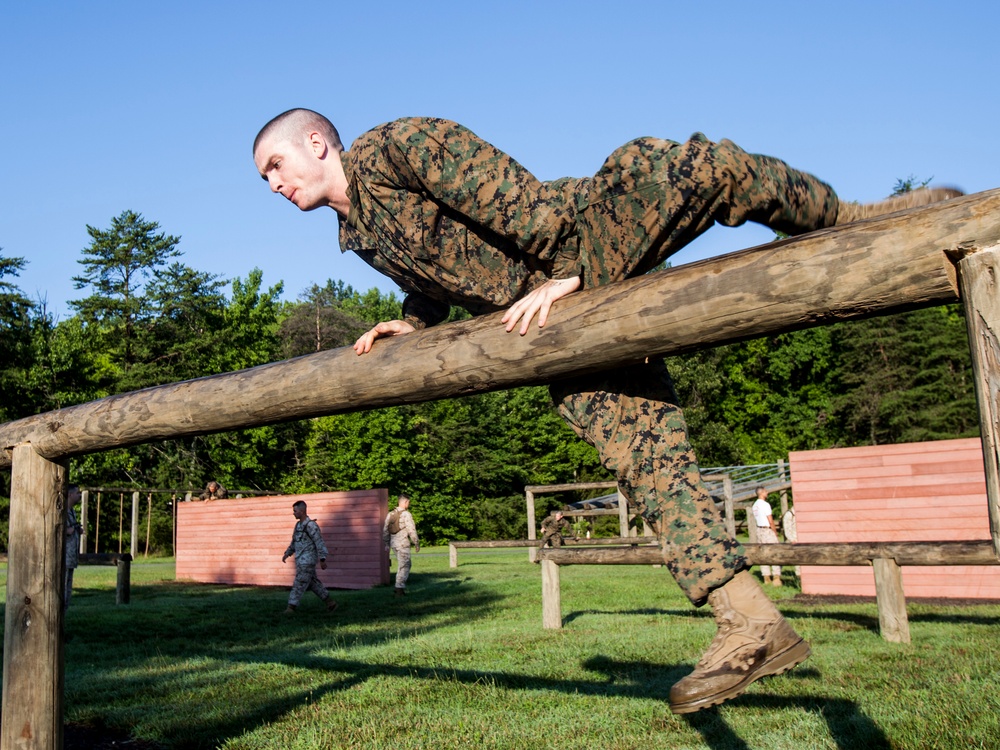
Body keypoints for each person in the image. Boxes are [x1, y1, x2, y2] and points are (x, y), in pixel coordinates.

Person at [253, 108, 961, 713]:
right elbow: (437, 279)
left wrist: (573, 273)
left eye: (277, 165)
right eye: (265, 180)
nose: (276, 185)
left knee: (694, 165)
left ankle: (849, 219)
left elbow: (519, 203)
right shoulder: (357, 234)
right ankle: (749, 621)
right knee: (642, 454)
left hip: (579, 237)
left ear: (319, 143)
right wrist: (414, 320)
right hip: (543, 320)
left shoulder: (393, 147)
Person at [281, 500, 338, 614]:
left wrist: (322, 559)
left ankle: (291, 607)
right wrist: (287, 553)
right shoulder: (298, 526)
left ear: (302, 511)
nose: (293, 513)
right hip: (300, 560)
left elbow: (319, 542)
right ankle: (331, 603)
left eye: (295, 511)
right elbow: (294, 542)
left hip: (308, 561)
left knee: (299, 583)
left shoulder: (311, 525)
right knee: (313, 583)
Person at [383, 494, 420, 596]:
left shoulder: (390, 514)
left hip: (394, 544)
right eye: (408, 502)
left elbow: (385, 530)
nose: (408, 504)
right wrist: (416, 542)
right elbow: (411, 530)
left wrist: (386, 543)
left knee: (401, 564)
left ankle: (399, 588)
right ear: (405, 502)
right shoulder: (406, 514)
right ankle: (399, 588)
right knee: (405, 565)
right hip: (403, 543)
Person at [750, 486, 781, 586]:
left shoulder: (755, 505)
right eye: (766, 491)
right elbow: (770, 520)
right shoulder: (765, 504)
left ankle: (766, 577)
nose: (767, 493)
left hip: (759, 530)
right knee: (774, 552)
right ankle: (776, 577)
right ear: (762, 493)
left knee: (763, 553)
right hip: (767, 530)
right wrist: (775, 532)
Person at [64, 484, 84, 611]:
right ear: (70, 494)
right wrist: (66, 530)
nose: (80, 495)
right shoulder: (62, 511)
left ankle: (64, 612)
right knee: (63, 587)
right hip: (64, 558)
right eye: (77, 493)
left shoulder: (72, 511)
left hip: (71, 558)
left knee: (68, 587)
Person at [781, 504, 801, 580]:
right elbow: (787, 529)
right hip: (794, 539)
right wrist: (792, 539)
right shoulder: (789, 514)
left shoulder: (798, 513)